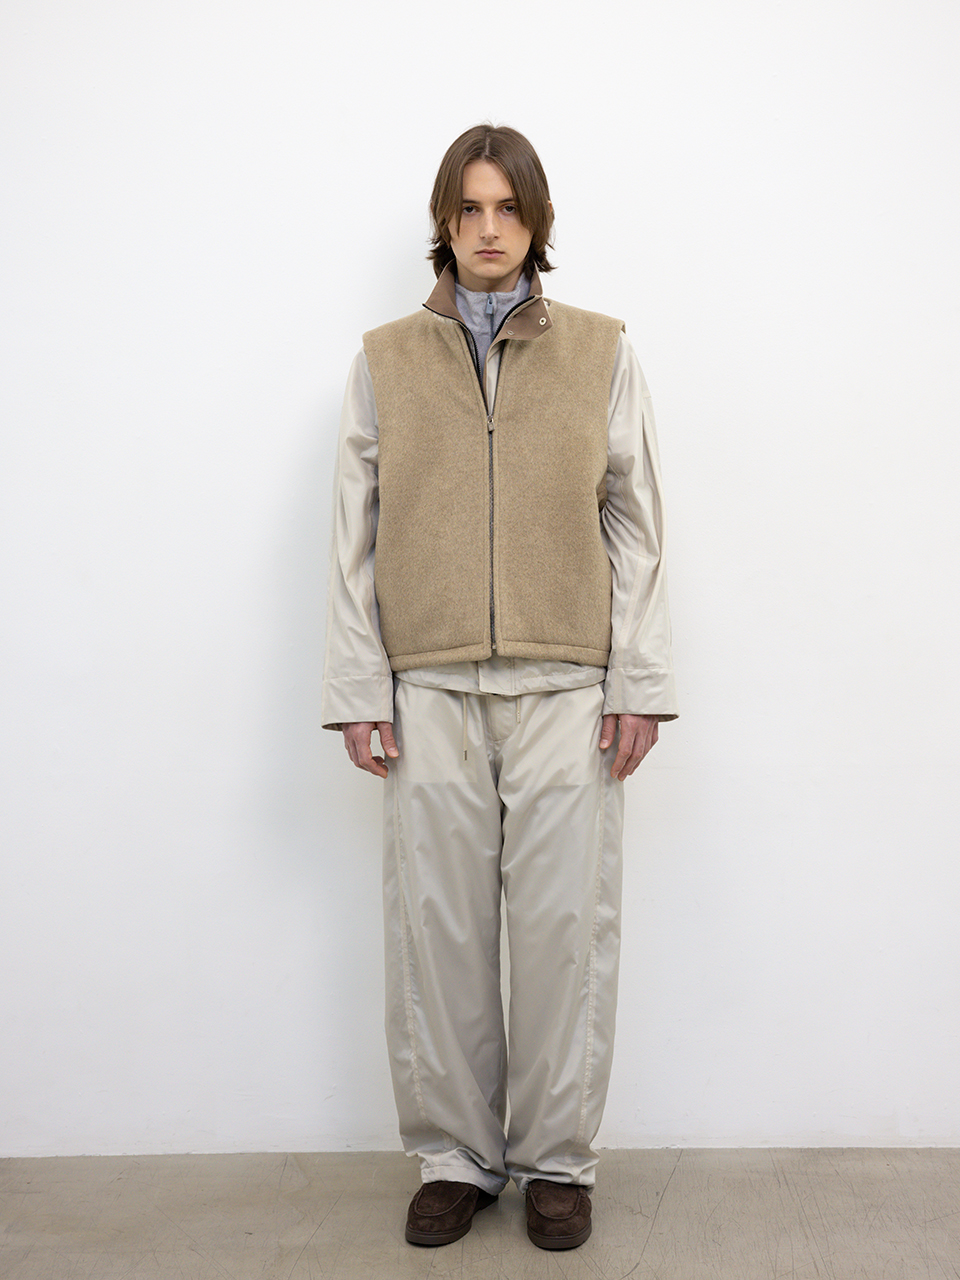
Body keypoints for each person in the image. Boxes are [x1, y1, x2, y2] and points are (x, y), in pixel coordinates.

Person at [321, 123, 677, 1251]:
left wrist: (639, 679)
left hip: (568, 685)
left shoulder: (601, 351)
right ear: (445, 220)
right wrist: (359, 687)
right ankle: (455, 1158)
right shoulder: (384, 359)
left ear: (536, 221)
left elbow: (637, 524)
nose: (488, 229)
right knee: (438, 933)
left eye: (507, 209)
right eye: (469, 208)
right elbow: (352, 536)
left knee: (566, 927)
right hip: (427, 687)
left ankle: (557, 1162)